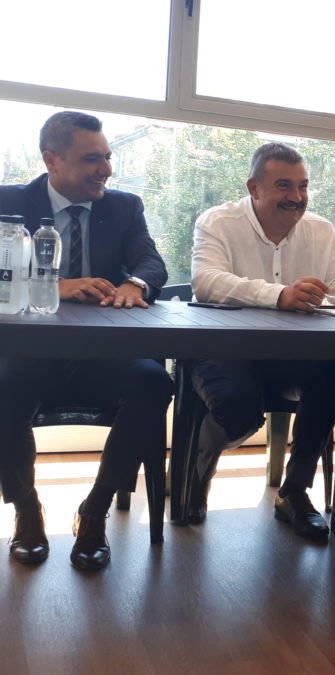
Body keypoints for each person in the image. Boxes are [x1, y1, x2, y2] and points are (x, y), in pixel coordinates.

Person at [0, 111, 173, 571]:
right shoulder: (8, 202)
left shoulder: (124, 207)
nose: (106, 170)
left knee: (154, 382)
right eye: (91, 159)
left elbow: (152, 263)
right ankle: (26, 510)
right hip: (30, 355)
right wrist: (54, 286)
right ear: (51, 160)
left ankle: (94, 510)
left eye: (108, 157)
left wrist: (134, 284)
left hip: (104, 355)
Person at [190, 142, 335, 540]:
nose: (296, 197)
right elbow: (205, 281)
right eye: (284, 185)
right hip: (227, 349)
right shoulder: (218, 221)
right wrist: (278, 295)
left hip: (295, 354)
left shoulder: (321, 229)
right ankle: (197, 464)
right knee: (238, 409)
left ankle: (294, 491)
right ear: (254, 188)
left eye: (303, 186)